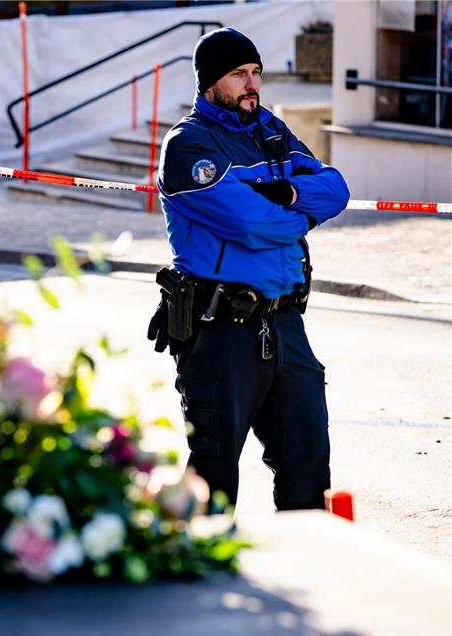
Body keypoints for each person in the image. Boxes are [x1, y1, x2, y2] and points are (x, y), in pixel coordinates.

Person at [147, 28, 350, 510]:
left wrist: (294, 195)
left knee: (308, 471)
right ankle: (203, 582)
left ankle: (310, 578)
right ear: (210, 83)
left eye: (255, 72)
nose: (251, 83)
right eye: (238, 74)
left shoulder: (271, 131)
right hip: (221, 334)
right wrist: (302, 216)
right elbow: (251, 223)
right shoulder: (188, 145)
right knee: (213, 480)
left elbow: (336, 188)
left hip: (286, 324)